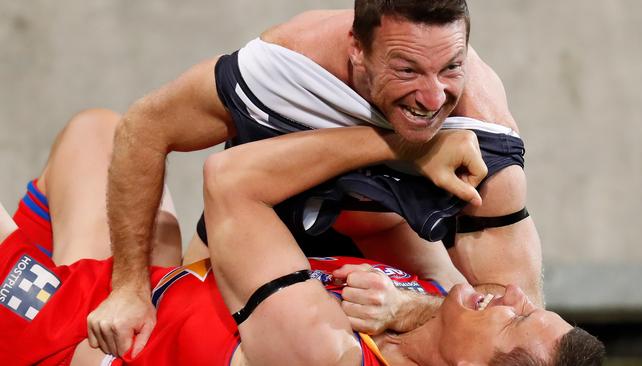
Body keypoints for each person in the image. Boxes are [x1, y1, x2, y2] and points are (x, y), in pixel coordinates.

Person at [91, 0, 544, 357]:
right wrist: (128, 288)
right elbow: (144, 128)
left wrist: (410, 309)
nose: (431, 98)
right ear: (357, 50)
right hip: (263, 227)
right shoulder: (283, 72)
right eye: (406, 70)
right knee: (181, 343)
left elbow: (514, 313)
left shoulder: (483, 139)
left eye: (451, 68)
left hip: (386, 246)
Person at [0, 113, 604, 365]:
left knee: (132, 140)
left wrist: (403, 143)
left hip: (88, 340)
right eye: (532, 305)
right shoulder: (438, 306)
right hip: (161, 294)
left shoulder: (329, 353)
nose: (511, 296)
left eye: (517, 319)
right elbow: (379, 215)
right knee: (97, 136)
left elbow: (232, 182)